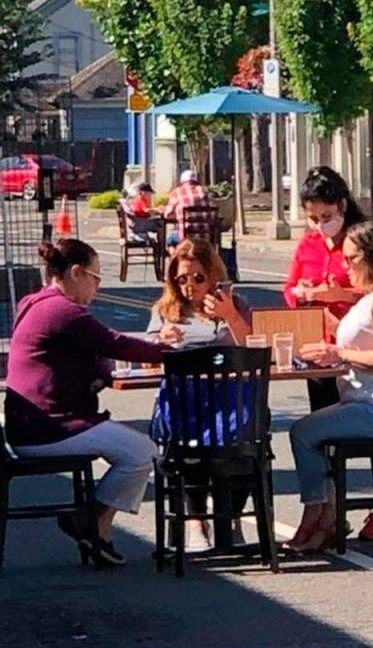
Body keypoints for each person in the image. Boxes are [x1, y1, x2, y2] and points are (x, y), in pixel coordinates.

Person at [4, 239, 166, 565]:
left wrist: (99, 372)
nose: (97, 287)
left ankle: (98, 529)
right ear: (77, 273)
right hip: (50, 427)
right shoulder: (64, 311)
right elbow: (117, 345)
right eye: (96, 278)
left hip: (30, 426)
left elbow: (92, 355)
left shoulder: (34, 303)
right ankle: (90, 519)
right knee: (143, 452)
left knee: (135, 451)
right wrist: (172, 350)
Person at [287, 220, 373, 552]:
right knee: (313, 432)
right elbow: (364, 342)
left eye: (351, 259)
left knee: (303, 433)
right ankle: (326, 516)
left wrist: (338, 353)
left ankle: (318, 515)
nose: (345, 267)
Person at [282, 167, 373, 542]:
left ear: (342, 205)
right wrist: (303, 292)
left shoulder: (364, 240)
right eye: (313, 218)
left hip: (364, 344)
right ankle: (331, 509)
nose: (320, 226)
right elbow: (289, 289)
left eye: (327, 217)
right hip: (324, 348)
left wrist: (338, 295)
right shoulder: (309, 245)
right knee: (323, 426)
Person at [147, 239, 253, 551]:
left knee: (247, 438)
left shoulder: (235, 304)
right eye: (181, 279)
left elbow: (256, 348)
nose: (190, 286)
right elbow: (147, 356)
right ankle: (196, 519)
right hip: (186, 400)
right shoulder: (166, 310)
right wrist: (161, 340)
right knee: (187, 440)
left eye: (197, 278)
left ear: (212, 276)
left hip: (230, 398)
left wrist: (230, 315)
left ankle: (231, 516)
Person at [164, 170, 208, 245]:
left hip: (186, 235)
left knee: (169, 240)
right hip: (205, 235)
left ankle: (175, 256)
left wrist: (176, 214)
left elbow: (167, 214)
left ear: (182, 181)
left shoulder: (177, 192)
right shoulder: (204, 191)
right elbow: (213, 211)